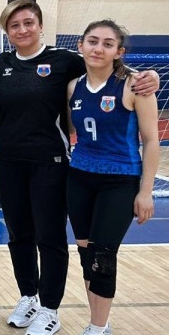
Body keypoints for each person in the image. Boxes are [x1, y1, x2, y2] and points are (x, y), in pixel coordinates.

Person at [0, 0, 158, 335]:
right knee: (19, 235)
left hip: (52, 163)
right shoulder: (2, 64)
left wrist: (149, 75)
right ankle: (28, 297)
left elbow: (109, 68)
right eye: (14, 25)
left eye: (28, 22)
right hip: (10, 162)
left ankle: (50, 309)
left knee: (51, 238)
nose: (22, 30)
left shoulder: (66, 61)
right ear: (6, 31)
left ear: (40, 26)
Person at [67, 20, 157, 335]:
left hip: (119, 180)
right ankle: (100, 322)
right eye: (92, 41)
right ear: (80, 45)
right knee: (86, 254)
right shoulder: (73, 86)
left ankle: (96, 327)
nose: (98, 48)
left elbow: (151, 141)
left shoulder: (135, 85)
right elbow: (71, 129)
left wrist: (146, 192)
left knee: (103, 256)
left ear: (118, 51)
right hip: (79, 177)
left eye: (108, 44)